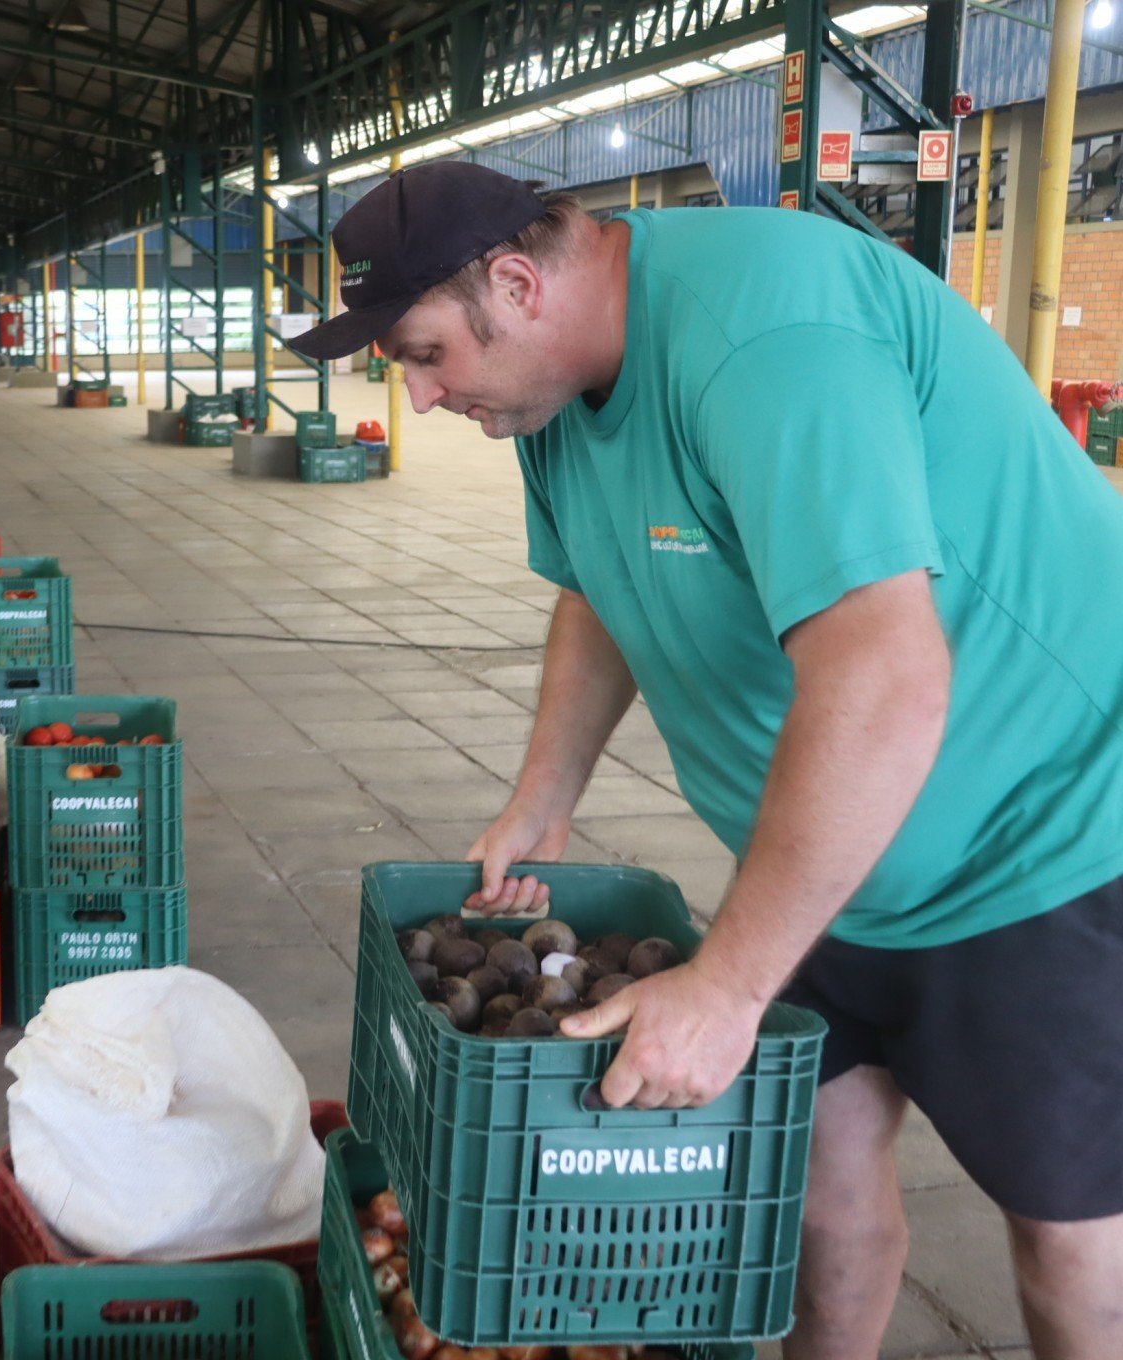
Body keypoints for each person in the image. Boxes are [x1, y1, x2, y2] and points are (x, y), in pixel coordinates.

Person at [289, 160, 1123, 1360]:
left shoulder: (765, 339)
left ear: (517, 284)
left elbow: (889, 680)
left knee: (1066, 1233)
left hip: (1037, 837)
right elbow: (596, 586)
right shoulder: (547, 389)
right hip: (824, 839)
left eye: (424, 354)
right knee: (815, 1190)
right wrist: (546, 791)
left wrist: (728, 988)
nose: (419, 398)